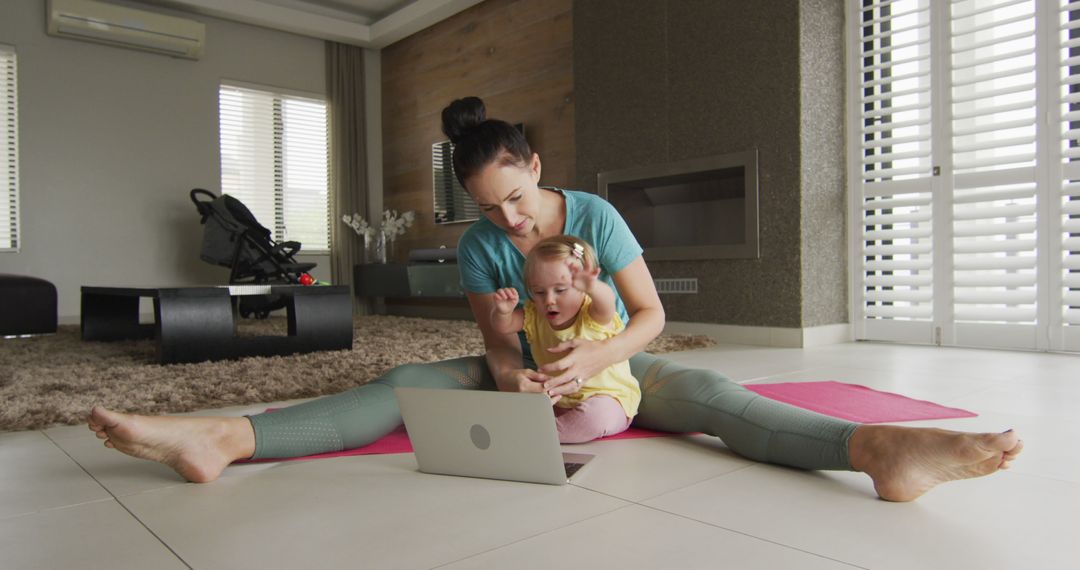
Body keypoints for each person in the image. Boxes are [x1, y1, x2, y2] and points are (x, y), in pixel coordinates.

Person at [88, 96, 1023, 502]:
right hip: (535, 379)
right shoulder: (485, 247)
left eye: (519, 199)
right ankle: (224, 437)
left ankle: (881, 451)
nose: (512, 223)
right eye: (490, 211)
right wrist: (512, 381)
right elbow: (499, 341)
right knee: (410, 381)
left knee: (721, 405)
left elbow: (652, 318)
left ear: (538, 168)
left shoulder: (599, 217)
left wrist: (598, 361)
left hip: (616, 364)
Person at [491, 235, 638, 443]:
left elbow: (608, 302)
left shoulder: (592, 313)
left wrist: (593, 286)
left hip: (609, 399)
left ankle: (540, 436)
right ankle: (544, 428)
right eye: (539, 292)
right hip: (558, 400)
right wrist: (503, 312)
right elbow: (502, 326)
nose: (549, 300)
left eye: (560, 290)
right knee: (512, 405)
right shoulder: (535, 314)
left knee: (596, 417)